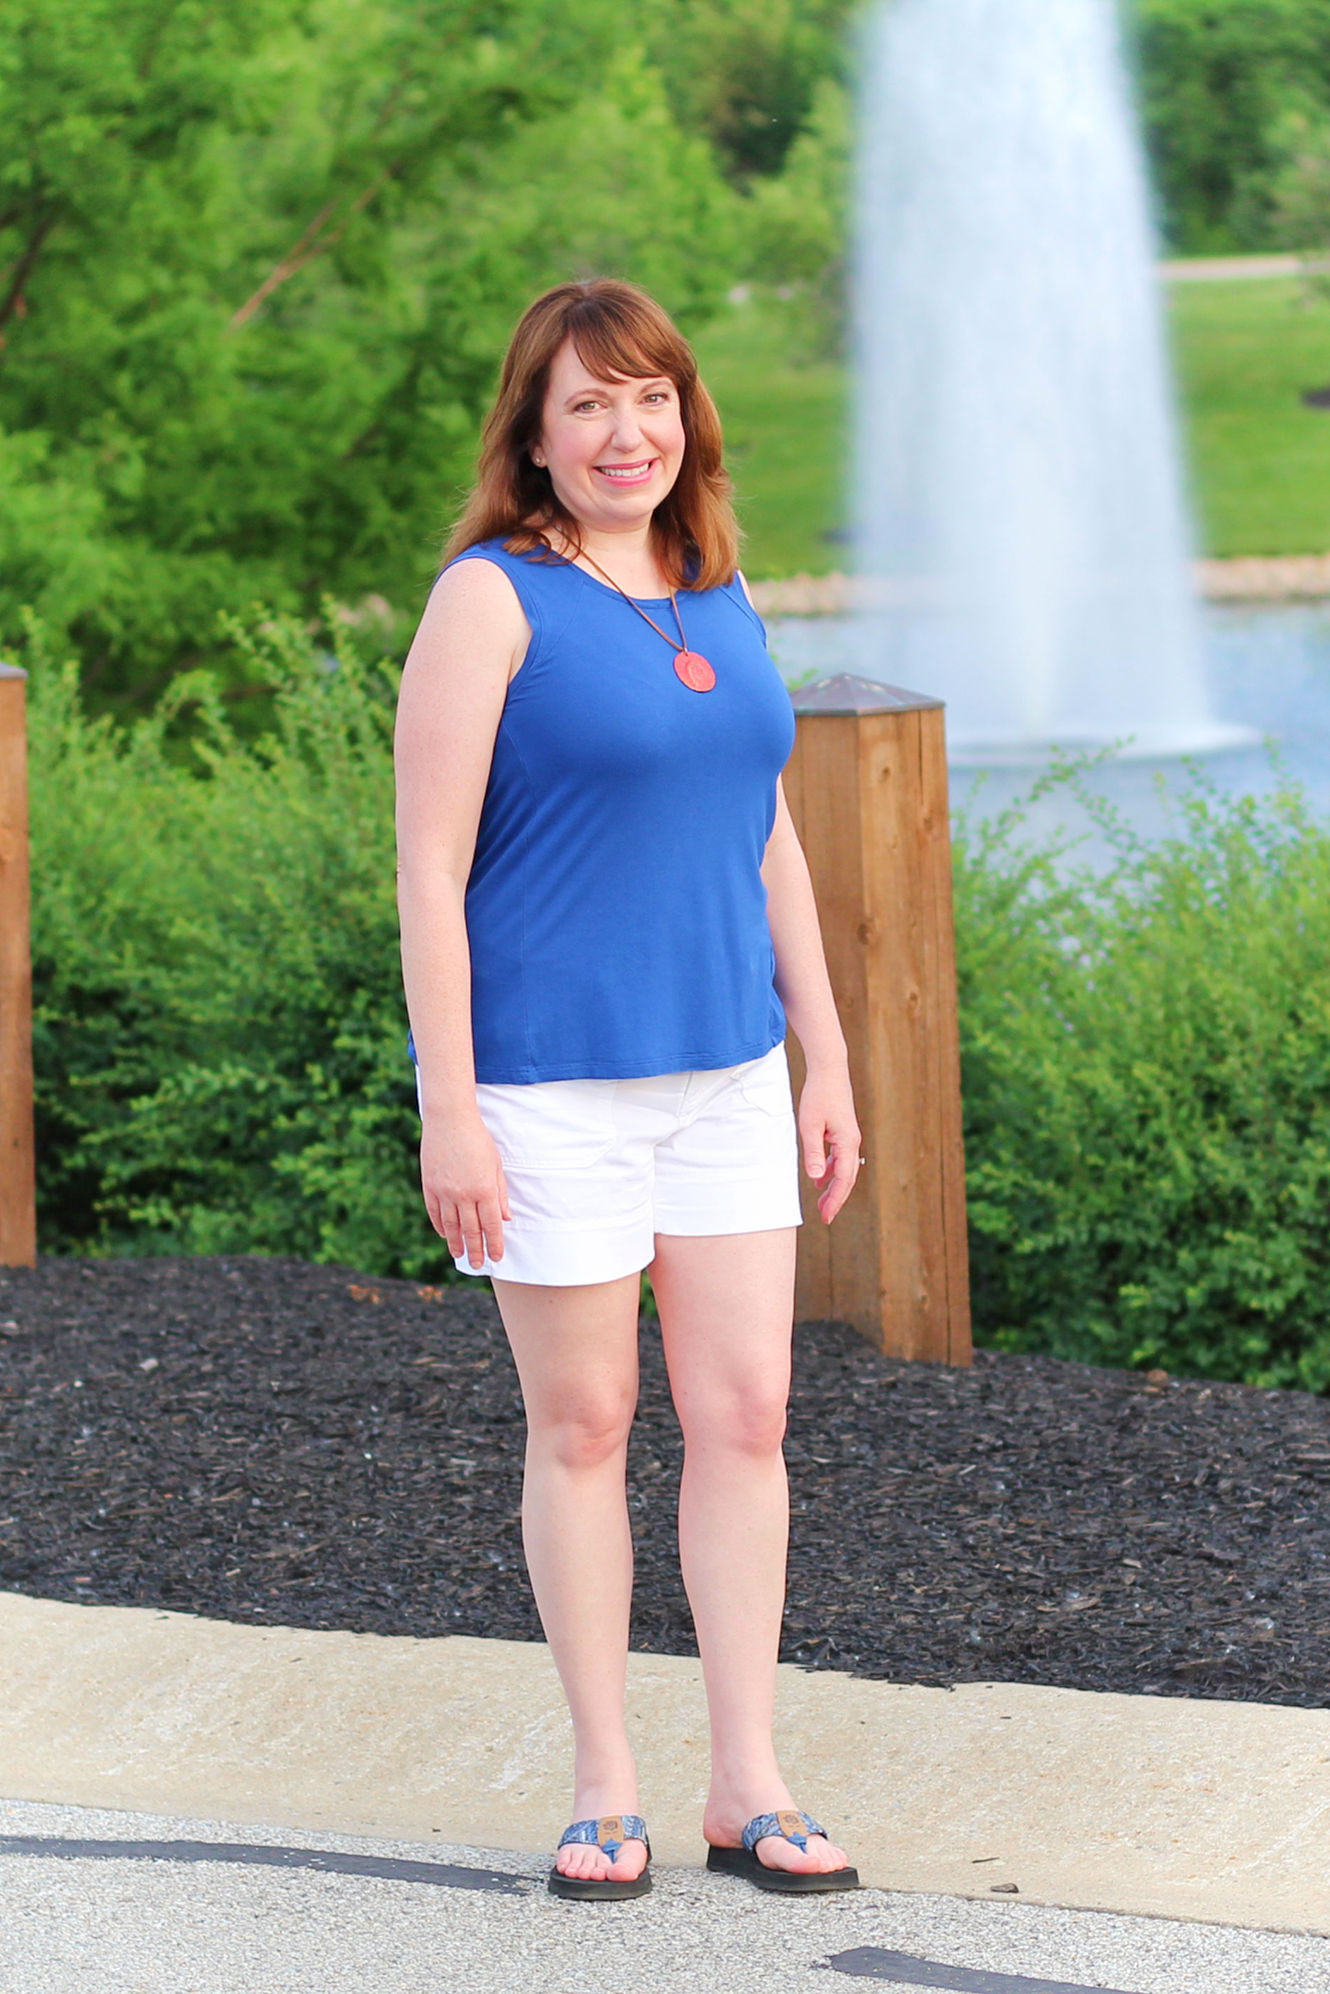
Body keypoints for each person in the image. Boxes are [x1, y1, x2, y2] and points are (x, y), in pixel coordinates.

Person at [394, 277, 863, 1902]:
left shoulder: (713, 584)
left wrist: (826, 1049)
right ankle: (606, 1783)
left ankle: (750, 1778)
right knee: (584, 1421)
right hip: (543, 1089)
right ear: (533, 431)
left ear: (687, 417)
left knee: (747, 1417)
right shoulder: (490, 598)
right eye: (587, 403)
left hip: (728, 1071)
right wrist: (448, 1104)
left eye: (649, 396)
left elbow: (768, 832)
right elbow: (430, 870)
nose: (625, 430)